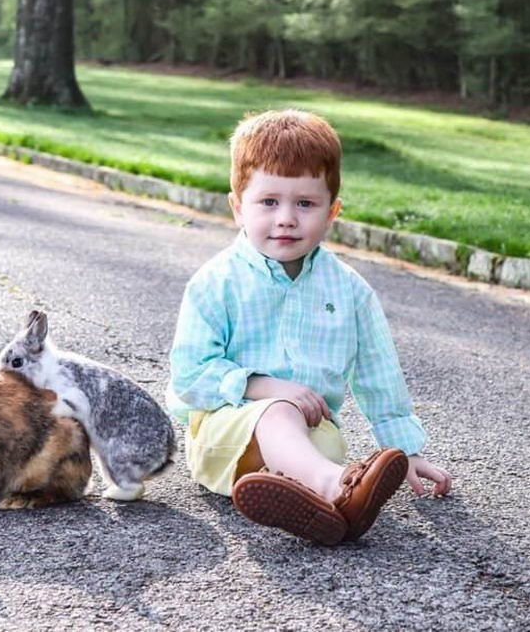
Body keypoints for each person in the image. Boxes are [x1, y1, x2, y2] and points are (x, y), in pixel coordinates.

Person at [166, 109, 451, 546]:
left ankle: (310, 505)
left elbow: (378, 375)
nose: (286, 218)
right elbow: (189, 375)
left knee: (322, 439)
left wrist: (406, 450)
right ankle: (337, 490)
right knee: (279, 411)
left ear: (332, 211)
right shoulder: (215, 283)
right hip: (222, 436)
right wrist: (266, 387)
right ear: (237, 206)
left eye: (305, 203)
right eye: (269, 202)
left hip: (311, 438)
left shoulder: (350, 291)